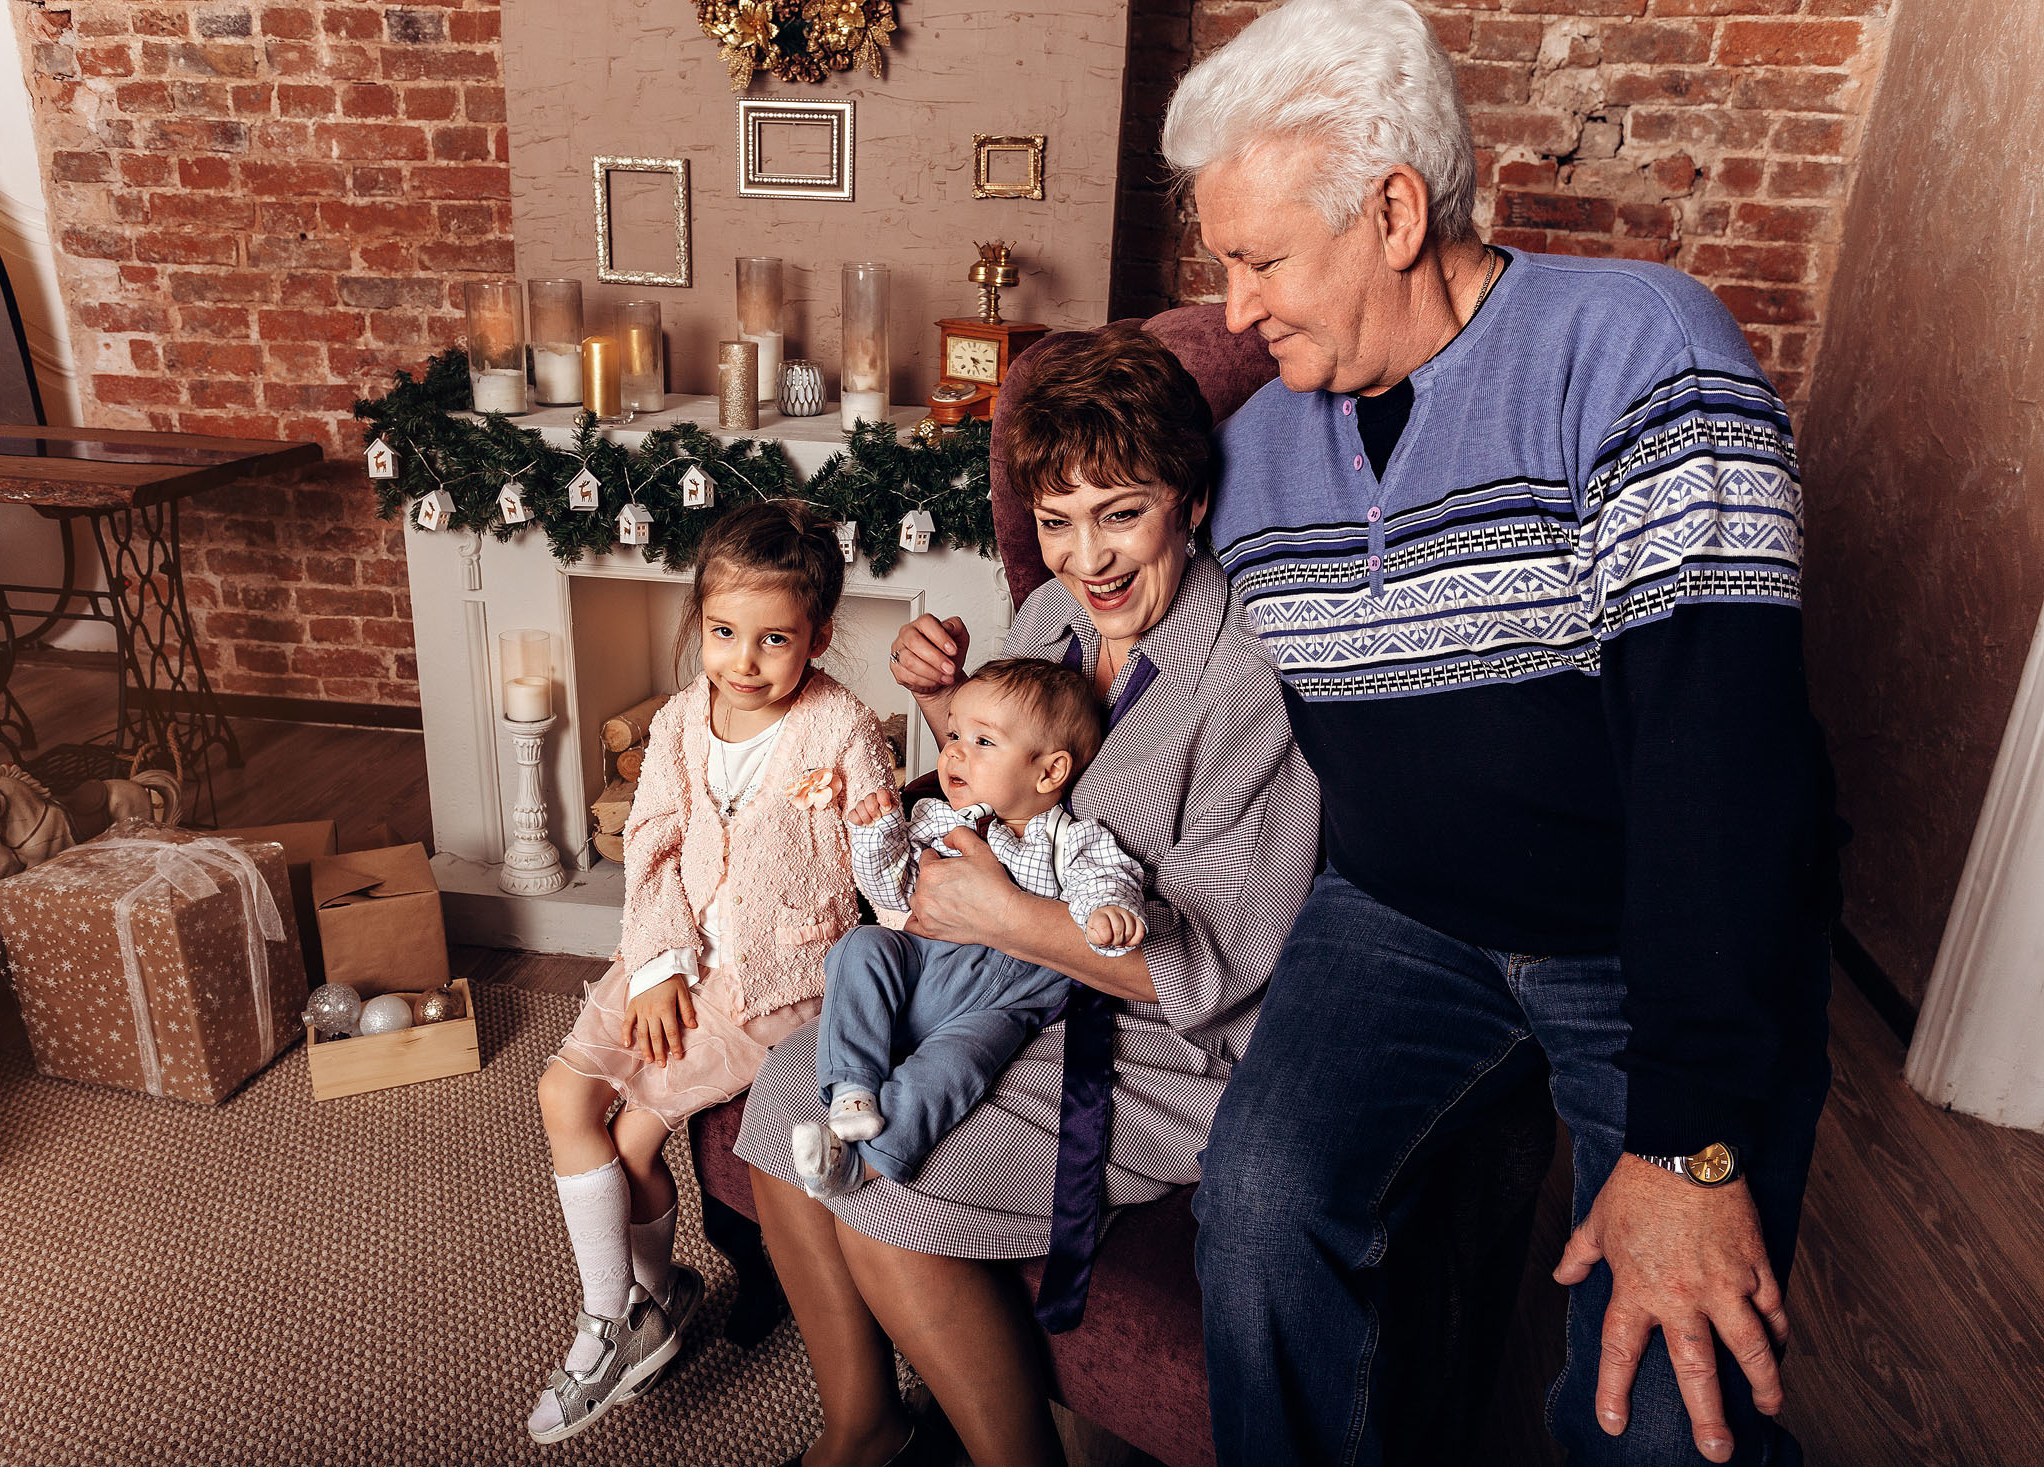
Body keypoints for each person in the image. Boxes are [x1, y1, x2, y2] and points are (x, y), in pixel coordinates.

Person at [1163, 2, 1844, 1462]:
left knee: (1661, 1419)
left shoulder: (1638, 351)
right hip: (1397, 915)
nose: (1233, 309)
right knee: (1260, 1213)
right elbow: (1140, 623)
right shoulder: (1258, 451)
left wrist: (1688, 1142)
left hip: (1640, 936)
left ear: (1395, 212)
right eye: (1223, 265)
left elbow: (1726, 781)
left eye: (1260, 259)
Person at [735, 325, 1322, 1467]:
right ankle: (862, 1429)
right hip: (997, 981)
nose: (1087, 558)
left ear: (1191, 502)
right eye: (1058, 521)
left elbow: (1222, 969)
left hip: (1157, 1045)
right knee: (784, 1096)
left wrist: (1002, 915)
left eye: (1121, 513)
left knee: (893, 1185)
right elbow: (1012, 788)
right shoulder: (1053, 616)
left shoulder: (1251, 676)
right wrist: (946, 708)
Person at [527, 502, 898, 1444]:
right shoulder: (682, 718)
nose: (744, 660)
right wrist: (655, 966)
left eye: (775, 639)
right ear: (699, 620)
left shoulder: (843, 728)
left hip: (771, 981)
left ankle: (627, 1316)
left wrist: (904, 986)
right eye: (725, 632)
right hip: (672, 949)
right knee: (562, 1095)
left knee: (636, 1142)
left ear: (817, 636)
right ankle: (630, 1310)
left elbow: (884, 867)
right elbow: (652, 843)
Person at [796, 657, 1148, 1200]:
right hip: (924, 962)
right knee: (860, 947)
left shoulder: (1066, 839)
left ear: (1049, 773)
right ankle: (852, 1090)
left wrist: (1108, 912)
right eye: (955, 734)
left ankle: (862, 1167)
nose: (954, 751)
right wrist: (877, 834)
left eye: (982, 741)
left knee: (953, 1069)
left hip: (1002, 1002)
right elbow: (892, 890)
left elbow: (1105, 878)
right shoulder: (937, 820)